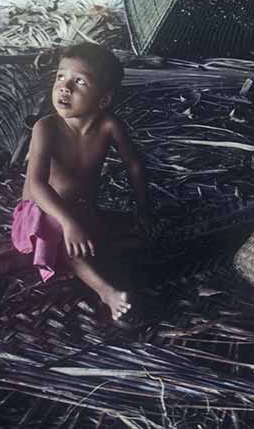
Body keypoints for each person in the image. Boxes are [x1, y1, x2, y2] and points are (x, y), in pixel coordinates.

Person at [11, 42, 152, 322]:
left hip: (81, 210)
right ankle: (106, 292)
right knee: (64, 239)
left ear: (103, 99)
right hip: (41, 213)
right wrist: (67, 222)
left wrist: (143, 208)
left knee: (121, 236)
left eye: (80, 81)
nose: (65, 88)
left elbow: (134, 164)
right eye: (61, 77)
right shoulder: (46, 128)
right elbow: (37, 186)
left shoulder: (109, 126)